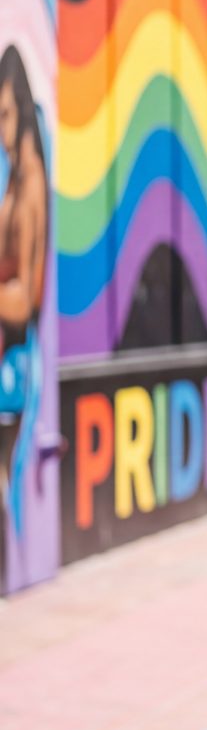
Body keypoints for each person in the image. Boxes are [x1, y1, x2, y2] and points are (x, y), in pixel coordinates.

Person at [0, 47, 47, 589]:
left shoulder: (30, 183)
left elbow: (26, 296)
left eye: (7, 114)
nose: (2, 128)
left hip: (12, 368)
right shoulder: (15, 180)